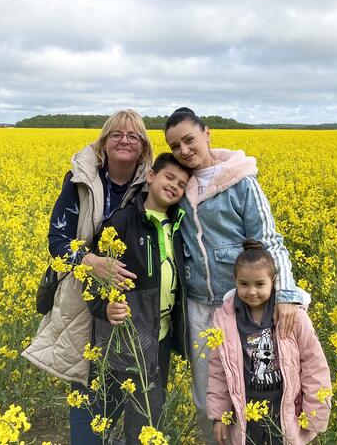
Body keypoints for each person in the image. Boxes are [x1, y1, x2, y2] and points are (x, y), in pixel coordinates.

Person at [163, 107, 310, 442]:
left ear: (207, 133)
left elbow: (270, 240)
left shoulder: (241, 180)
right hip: (199, 307)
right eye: (175, 146)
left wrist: (285, 295)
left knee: (255, 394)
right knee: (208, 399)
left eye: (189, 140)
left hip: (244, 306)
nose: (184, 150)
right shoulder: (177, 185)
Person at [21, 109, 153, 444]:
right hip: (82, 299)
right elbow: (57, 241)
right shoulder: (79, 182)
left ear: (142, 147)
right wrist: (92, 261)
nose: (124, 141)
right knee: (86, 379)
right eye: (116, 135)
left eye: (133, 136)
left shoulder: (151, 185)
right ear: (104, 143)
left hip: (132, 301)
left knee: (126, 378)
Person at [85, 153, 192, 444]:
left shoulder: (180, 225)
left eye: (181, 184)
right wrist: (103, 307)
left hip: (160, 338)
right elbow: (93, 275)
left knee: (147, 416)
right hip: (123, 338)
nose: (174, 186)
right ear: (151, 177)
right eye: (169, 177)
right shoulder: (121, 221)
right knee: (105, 414)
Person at [207, 239, 331, 444]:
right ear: (235, 280)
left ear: (273, 280)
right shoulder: (224, 319)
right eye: (244, 284)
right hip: (245, 414)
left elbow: (313, 364)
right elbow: (218, 371)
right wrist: (219, 415)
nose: (252, 291)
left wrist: (315, 415)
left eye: (260, 284)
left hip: (286, 411)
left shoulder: (294, 316)